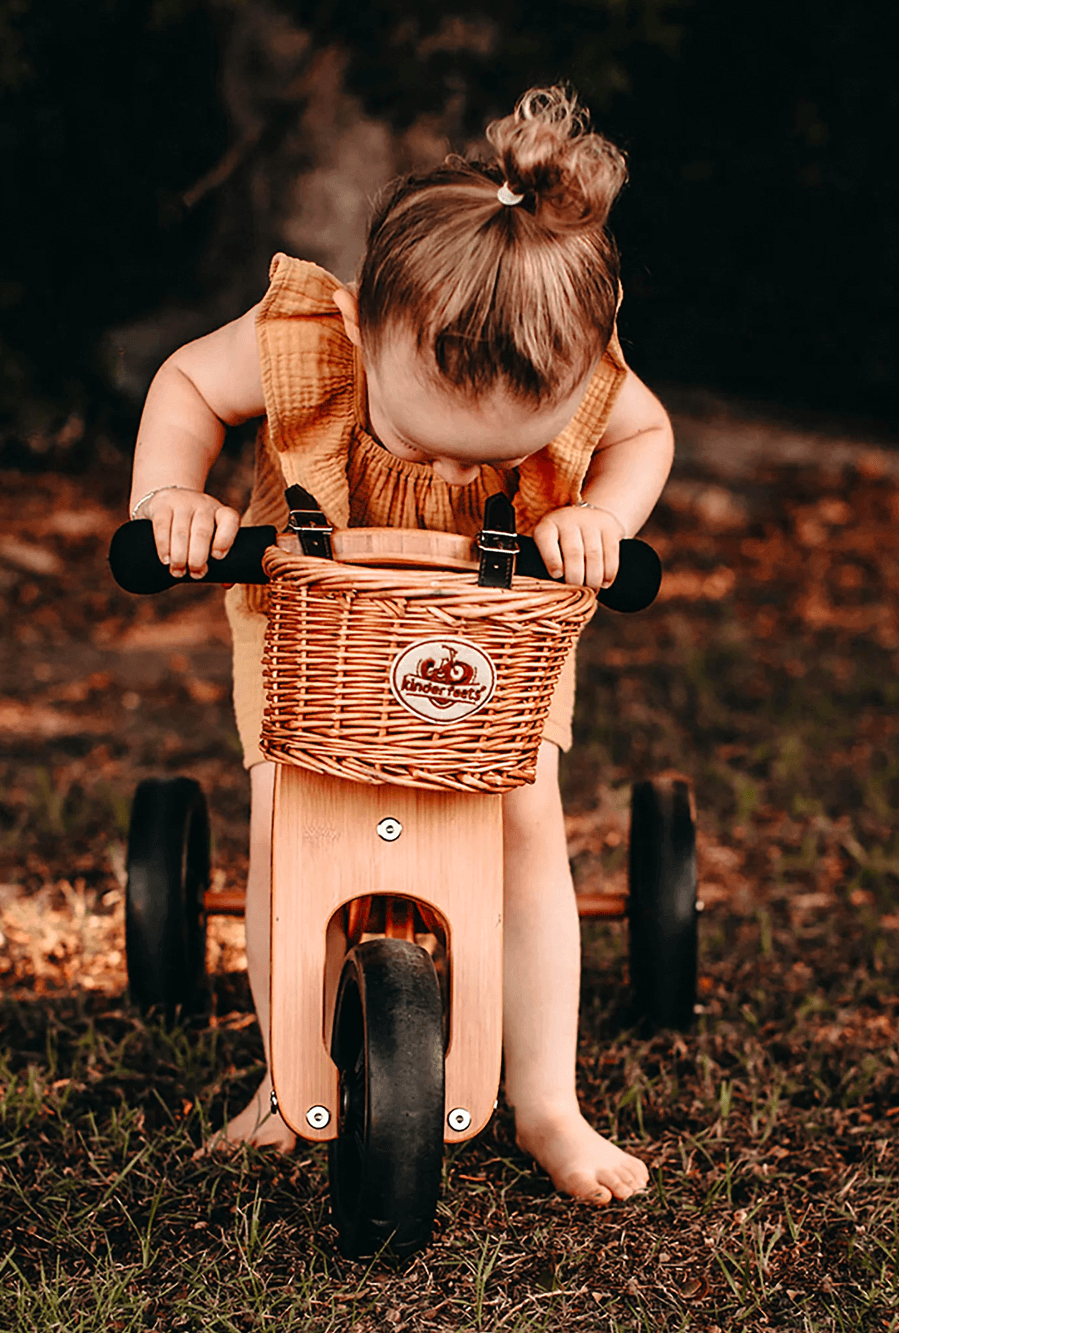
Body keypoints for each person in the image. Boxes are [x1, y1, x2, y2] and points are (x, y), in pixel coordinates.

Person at [128, 86, 673, 1205]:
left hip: (494, 638)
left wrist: (601, 520)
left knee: (525, 822)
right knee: (291, 821)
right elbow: (185, 381)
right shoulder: (306, 336)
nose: (463, 473)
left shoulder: (575, 352)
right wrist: (169, 496)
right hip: (315, 628)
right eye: (425, 440)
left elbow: (644, 433)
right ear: (369, 324)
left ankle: (546, 1101)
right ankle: (288, 1086)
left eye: (505, 457)